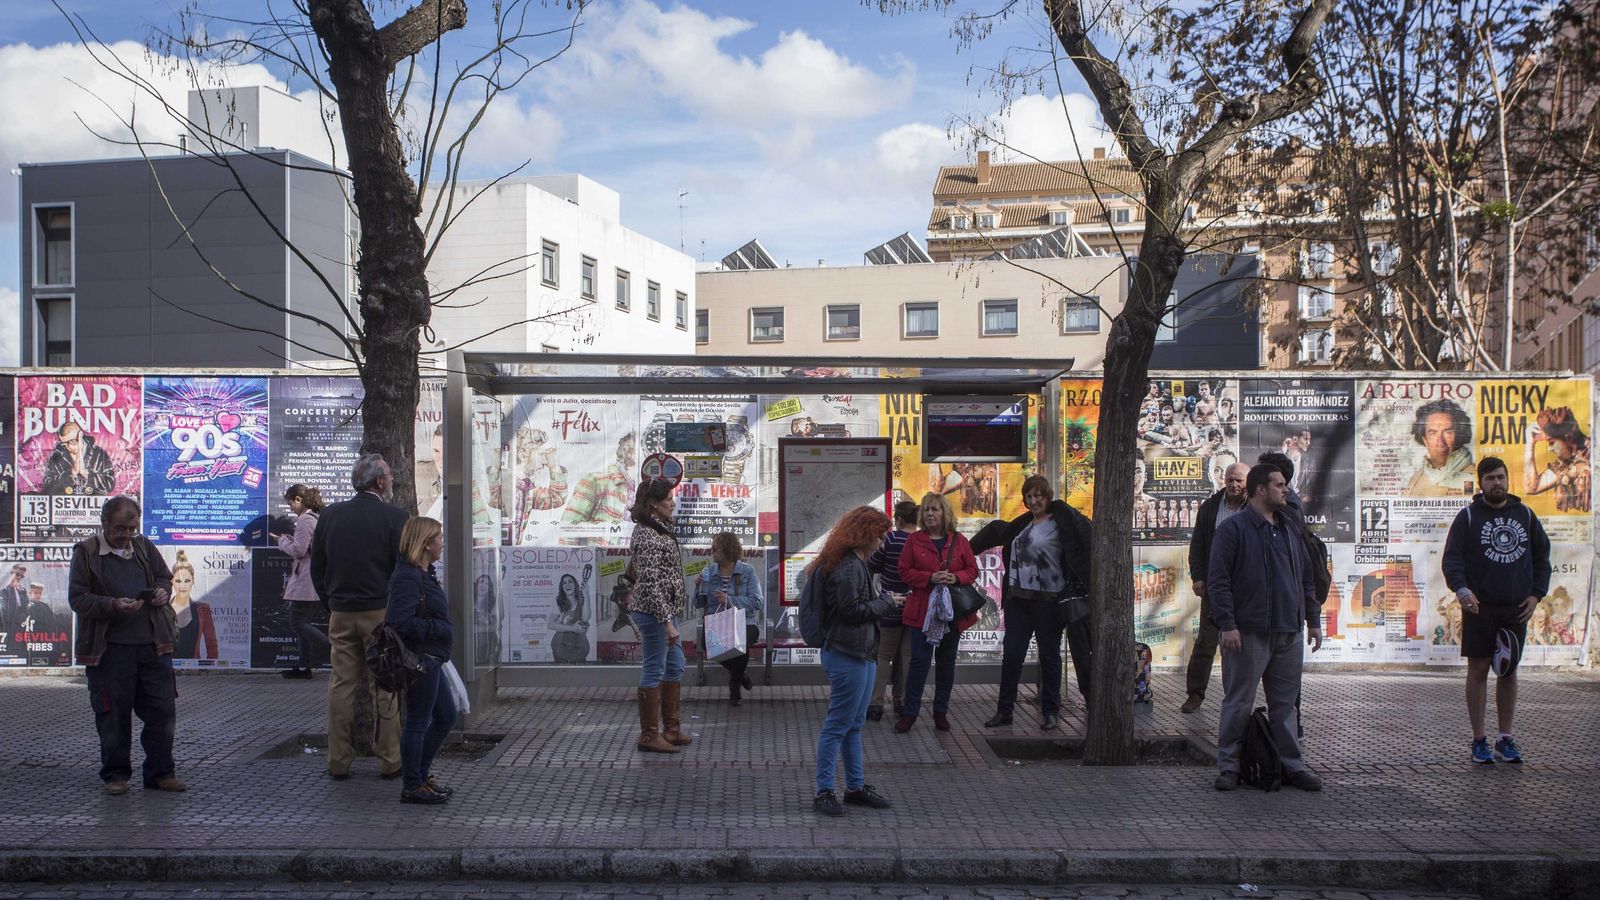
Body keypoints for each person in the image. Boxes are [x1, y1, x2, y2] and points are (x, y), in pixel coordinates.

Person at [1209, 464, 1324, 792]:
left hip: (1289, 631)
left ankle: (1291, 764)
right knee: (1238, 702)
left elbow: (1306, 577)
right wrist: (1228, 625)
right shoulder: (1233, 530)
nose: (1285, 490)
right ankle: (1229, 766)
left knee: (1286, 705)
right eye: (1279, 485)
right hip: (1247, 633)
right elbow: (1218, 582)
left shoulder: (1289, 528)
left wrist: (1312, 620)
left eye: (1284, 485)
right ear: (1260, 489)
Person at [68, 496, 183, 796]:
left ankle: (161, 773)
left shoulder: (144, 546)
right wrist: (112, 605)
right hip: (110, 650)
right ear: (105, 523)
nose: (127, 535)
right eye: (121, 528)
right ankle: (115, 775)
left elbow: (164, 577)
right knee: (114, 715)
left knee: (162, 711)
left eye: (132, 528)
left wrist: (161, 591)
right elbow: (78, 598)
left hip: (153, 646)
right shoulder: (87, 552)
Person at [1441, 456, 1551, 765]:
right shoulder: (1468, 517)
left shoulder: (1526, 516)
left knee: (1508, 671)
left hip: (1515, 608)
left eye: (1501, 477)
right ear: (1481, 484)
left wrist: (1536, 595)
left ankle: (1505, 738)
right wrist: (1461, 590)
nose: (1497, 483)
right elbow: (1452, 560)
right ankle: (1479, 740)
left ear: (1507, 480)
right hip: (1480, 608)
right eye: (1490, 478)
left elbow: (1543, 559)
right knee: (1477, 670)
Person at [310, 453, 408, 781]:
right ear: (379, 481)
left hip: (341, 612)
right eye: (390, 476)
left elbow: (317, 566)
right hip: (380, 612)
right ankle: (390, 759)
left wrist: (330, 601)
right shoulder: (395, 518)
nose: (392, 480)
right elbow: (401, 570)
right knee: (386, 684)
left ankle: (338, 759)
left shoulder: (331, 516)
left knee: (342, 684)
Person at [971, 474, 1094, 731]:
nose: (1033, 500)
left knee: (1049, 657)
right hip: (1018, 600)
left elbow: (1086, 538)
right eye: (1029, 496)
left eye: (1038, 495)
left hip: (1049, 602)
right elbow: (998, 531)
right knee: (1012, 655)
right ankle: (1005, 711)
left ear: (1048, 496)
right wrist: (963, 550)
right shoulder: (1025, 523)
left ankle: (1050, 711)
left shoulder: (1061, 522)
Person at [810, 506, 903, 816]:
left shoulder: (853, 562)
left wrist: (882, 602)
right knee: (839, 724)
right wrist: (887, 602)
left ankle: (854, 786)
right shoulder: (849, 566)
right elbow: (853, 611)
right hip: (848, 652)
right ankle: (824, 790)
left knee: (853, 725)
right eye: (879, 536)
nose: (881, 542)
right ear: (865, 535)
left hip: (859, 652)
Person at [386, 516, 458, 804]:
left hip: (432, 657)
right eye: (439, 537)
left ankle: (421, 775)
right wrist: (438, 629)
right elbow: (398, 622)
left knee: (446, 716)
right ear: (426, 543)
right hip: (420, 659)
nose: (442, 542)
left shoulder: (424, 573)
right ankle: (412, 784)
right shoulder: (407, 576)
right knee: (418, 721)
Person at [894, 492, 979, 733]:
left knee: (946, 663)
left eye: (935, 510)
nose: (930, 514)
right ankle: (910, 713)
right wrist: (928, 577)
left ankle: (940, 712)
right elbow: (904, 571)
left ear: (945, 514)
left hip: (951, 612)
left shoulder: (959, 540)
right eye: (927, 510)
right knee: (919, 662)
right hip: (922, 611)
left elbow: (972, 570)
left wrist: (956, 577)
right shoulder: (914, 540)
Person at [625, 478, 692, 753]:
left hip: (664, 611)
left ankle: (671, 729)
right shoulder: (648, 534)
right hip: (653, 613)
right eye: (668, 500)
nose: (673, 504)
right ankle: (649, 735)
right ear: (654, 505)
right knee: (654, 668)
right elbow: (650, 583)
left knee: (675, 665)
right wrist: (667, 623)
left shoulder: (659, 529)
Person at [1181, 462, 1251, 714]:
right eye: (1230, 479)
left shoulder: (1253, 507)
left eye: (1239, 480)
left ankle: (1237, 698)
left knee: (1245, 645)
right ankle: (1195, 694)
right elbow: (1198, 545)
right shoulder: (1210, 507)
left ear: (1248, 482)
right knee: (1206, 643)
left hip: (1246, 589)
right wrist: (1197, 577)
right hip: (1215, 586)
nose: (1233, 484)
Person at [694, 531, 764, 706]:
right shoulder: (708, 572)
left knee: (740, 641)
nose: (712, 551)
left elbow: (757, 602)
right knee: (707, 643)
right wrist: (697, 586)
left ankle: (734, 686)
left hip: (744, 621)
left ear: (726, 549)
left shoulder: (747, 571)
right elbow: (698, 603)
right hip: (717, 622)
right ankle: (740, 677)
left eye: (715, 548)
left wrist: (730, 600)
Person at [865, 500, 918, 722]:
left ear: (899, 519)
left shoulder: (892, 539)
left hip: (890, 605)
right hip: (914, 606)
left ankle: (876, 703)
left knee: (883, 656)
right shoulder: (920, 540)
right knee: (907, 656)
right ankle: (902, 701)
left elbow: (873, 563)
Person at [277, 484, 329, 679]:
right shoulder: (317, 518)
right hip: (314, 580)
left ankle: (333, 649)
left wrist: (282, 542)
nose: (290, 508)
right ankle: (303, 666)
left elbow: (299, 551)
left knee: (297, 623)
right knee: (302, 622)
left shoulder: (305, 520)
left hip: (306, 581)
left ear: (298, 499)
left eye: (290, 503)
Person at [1403, 399, 1475, 497]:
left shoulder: (1472, 476)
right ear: (1424, 439)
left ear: (1458, 435)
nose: (1440, 442)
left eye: (1448, 432)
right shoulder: (1416, 479)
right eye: (1433, 433)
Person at [1524, 408, 1590, 512]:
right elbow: (1531, 488)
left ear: (1569, 438)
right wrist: (1530, 444)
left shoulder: (1594, 452)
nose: (1550, 449)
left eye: (1551, 443)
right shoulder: (1564, 465)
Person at [563, 433, 637, 526]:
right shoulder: (596, 481)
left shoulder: (645, 486)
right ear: (624, 450)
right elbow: (569, 526)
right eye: (631, 449)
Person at [166, 550, 218, 661]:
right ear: (172, 582)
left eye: (187, 580)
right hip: (168, 668)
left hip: (194, 670)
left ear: (193, 581)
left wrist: (208, 669)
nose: (183, 586)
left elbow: (211, 644)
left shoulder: (203, 609)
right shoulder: (164, 608)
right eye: (178, 581)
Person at [43, 422, 117, 496]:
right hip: (66, 505)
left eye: (72, 441)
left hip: (93, 504)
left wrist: (87, 474)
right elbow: (48, 486)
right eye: (64, 444)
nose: (69, 447)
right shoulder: (57, 456)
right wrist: (70, 474)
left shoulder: (99, 454)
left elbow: (110, 484)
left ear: (80, 436)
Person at [549, 569, 592, 664]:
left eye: (570, 582)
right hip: (561, 646)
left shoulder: (582, 601)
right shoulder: (558, 602)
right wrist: (573, 628)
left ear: (575, 584)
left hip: (579, 647)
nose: (567, 584)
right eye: (564, 583)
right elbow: (551, 624)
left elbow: (585, 618)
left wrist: (586, 594)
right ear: (562, 587)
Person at [1, 564, 28, 634]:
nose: (19, 577)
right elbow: (6, 610)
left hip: (21, 625)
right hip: (9, 625)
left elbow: (26, 606)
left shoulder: (22, 590)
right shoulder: (4, 591)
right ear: (12, 573)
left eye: (22, 576)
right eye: (17, 574)